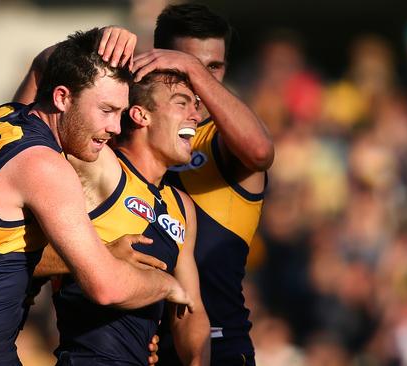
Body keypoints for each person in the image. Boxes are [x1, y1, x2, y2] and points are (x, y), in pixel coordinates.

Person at [0, 28, 192, 366]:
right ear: (61, 97)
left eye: (120, 112)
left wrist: (96, 40)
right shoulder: (44, 165)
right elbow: (107, 287)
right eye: (106, 110)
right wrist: (167, 285)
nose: (116, 127)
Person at [16, 63, 210, 364]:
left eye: (196, 105)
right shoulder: (102, 166)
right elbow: (26, 132)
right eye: (182, 103)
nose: (196, 115)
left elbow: (190, 308)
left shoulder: (181, 206)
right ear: (140, 114)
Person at [132, 4, 275, 365]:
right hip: (133, 343)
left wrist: (192, 69)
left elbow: (260, 152)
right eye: (186, 64)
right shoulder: (128, 128)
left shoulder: (221, 140)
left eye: (214, 68)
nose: (200, 80)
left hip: (217, 344)